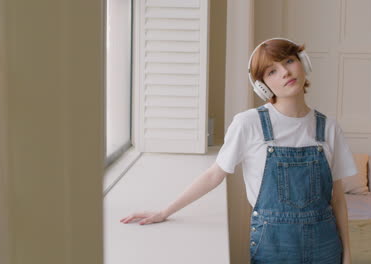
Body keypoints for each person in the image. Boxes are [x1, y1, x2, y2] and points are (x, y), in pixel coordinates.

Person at [121, 38, 357, 264]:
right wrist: (164, 212)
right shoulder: (249, 123)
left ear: (303, 63)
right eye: (271, 71)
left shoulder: (329, 128)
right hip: (273, 248)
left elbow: (337, 198)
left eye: (288, 61)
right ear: (263, 86)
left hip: (326, 247)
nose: (284, 72)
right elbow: (214, 175)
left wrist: (346, 255)